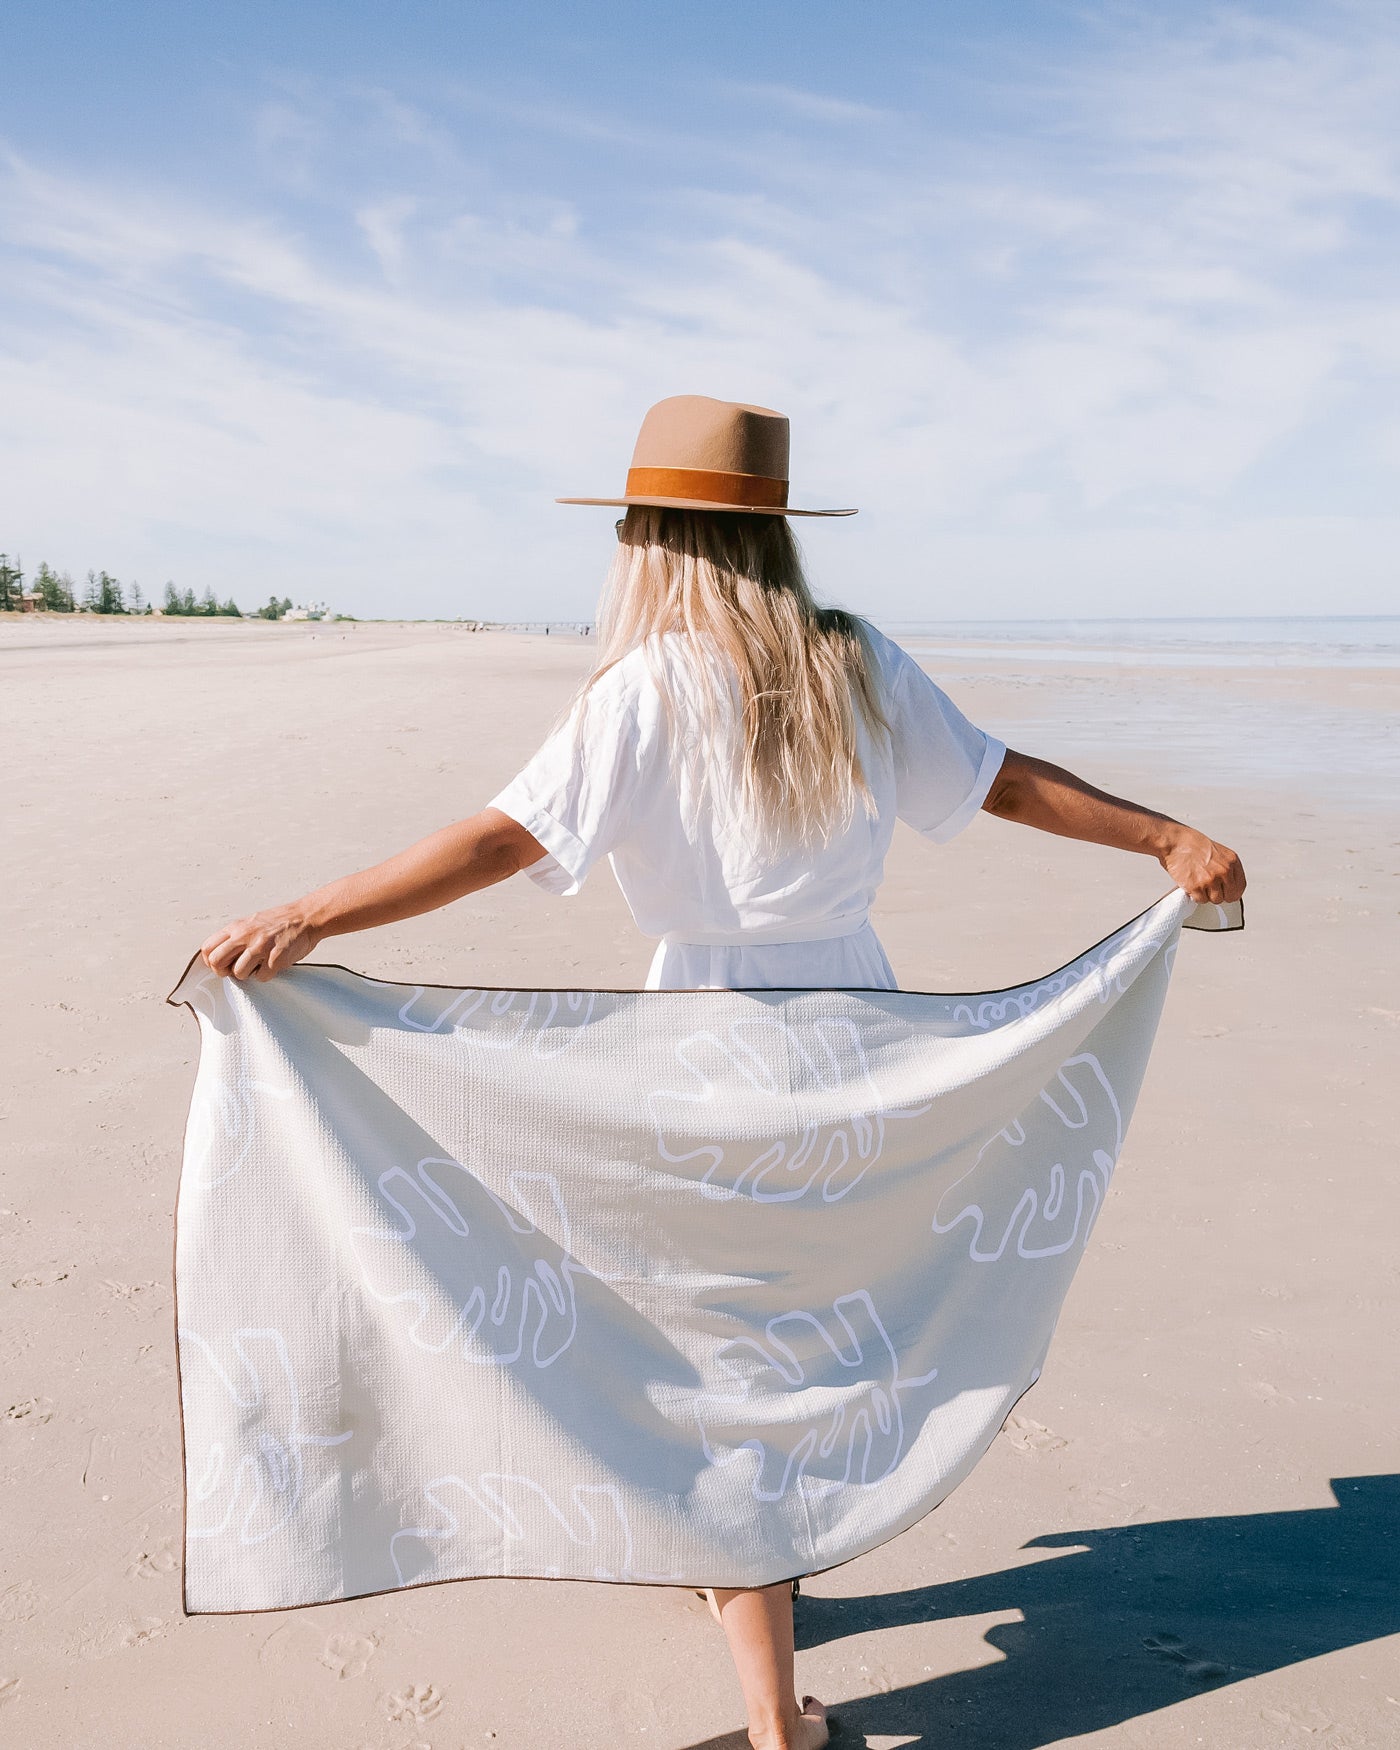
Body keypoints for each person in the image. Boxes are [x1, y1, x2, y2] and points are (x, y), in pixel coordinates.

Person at [200, 395, 1245, 1750]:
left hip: (694, 1049)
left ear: (658, 540)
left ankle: (775, 1721)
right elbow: (999, 783)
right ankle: (753, 1575)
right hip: (860, 1045)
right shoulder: (853, 662)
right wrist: (1162, 833)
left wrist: (319, 913)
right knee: (789, 1340)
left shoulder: (644, 687)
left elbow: (506, 842)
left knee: (719, 1360)